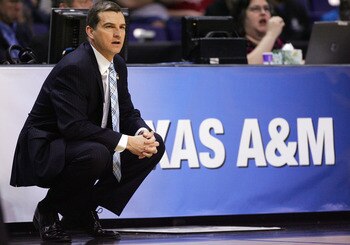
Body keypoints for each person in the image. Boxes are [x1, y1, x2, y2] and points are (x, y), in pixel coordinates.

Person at [10, 1, 165, 242]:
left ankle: (81, 209)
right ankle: (48, 210)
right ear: (90, 32)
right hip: (47, 147)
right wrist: (125, 142)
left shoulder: (118, 64)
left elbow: (126, 111)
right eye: (109, 26)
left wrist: (142, 132)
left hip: (82, 142)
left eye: (122, 27)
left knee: (155, 144)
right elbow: (73, 126)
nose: (118, 34)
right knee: (97, 153)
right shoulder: (75, 66)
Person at [206, 0, 285, 64]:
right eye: (255, 9)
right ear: (242, 16)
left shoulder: (278, 43)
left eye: (266, 9)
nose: (263, 13)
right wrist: (270, 35)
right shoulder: (234, 46)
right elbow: (248, 68)